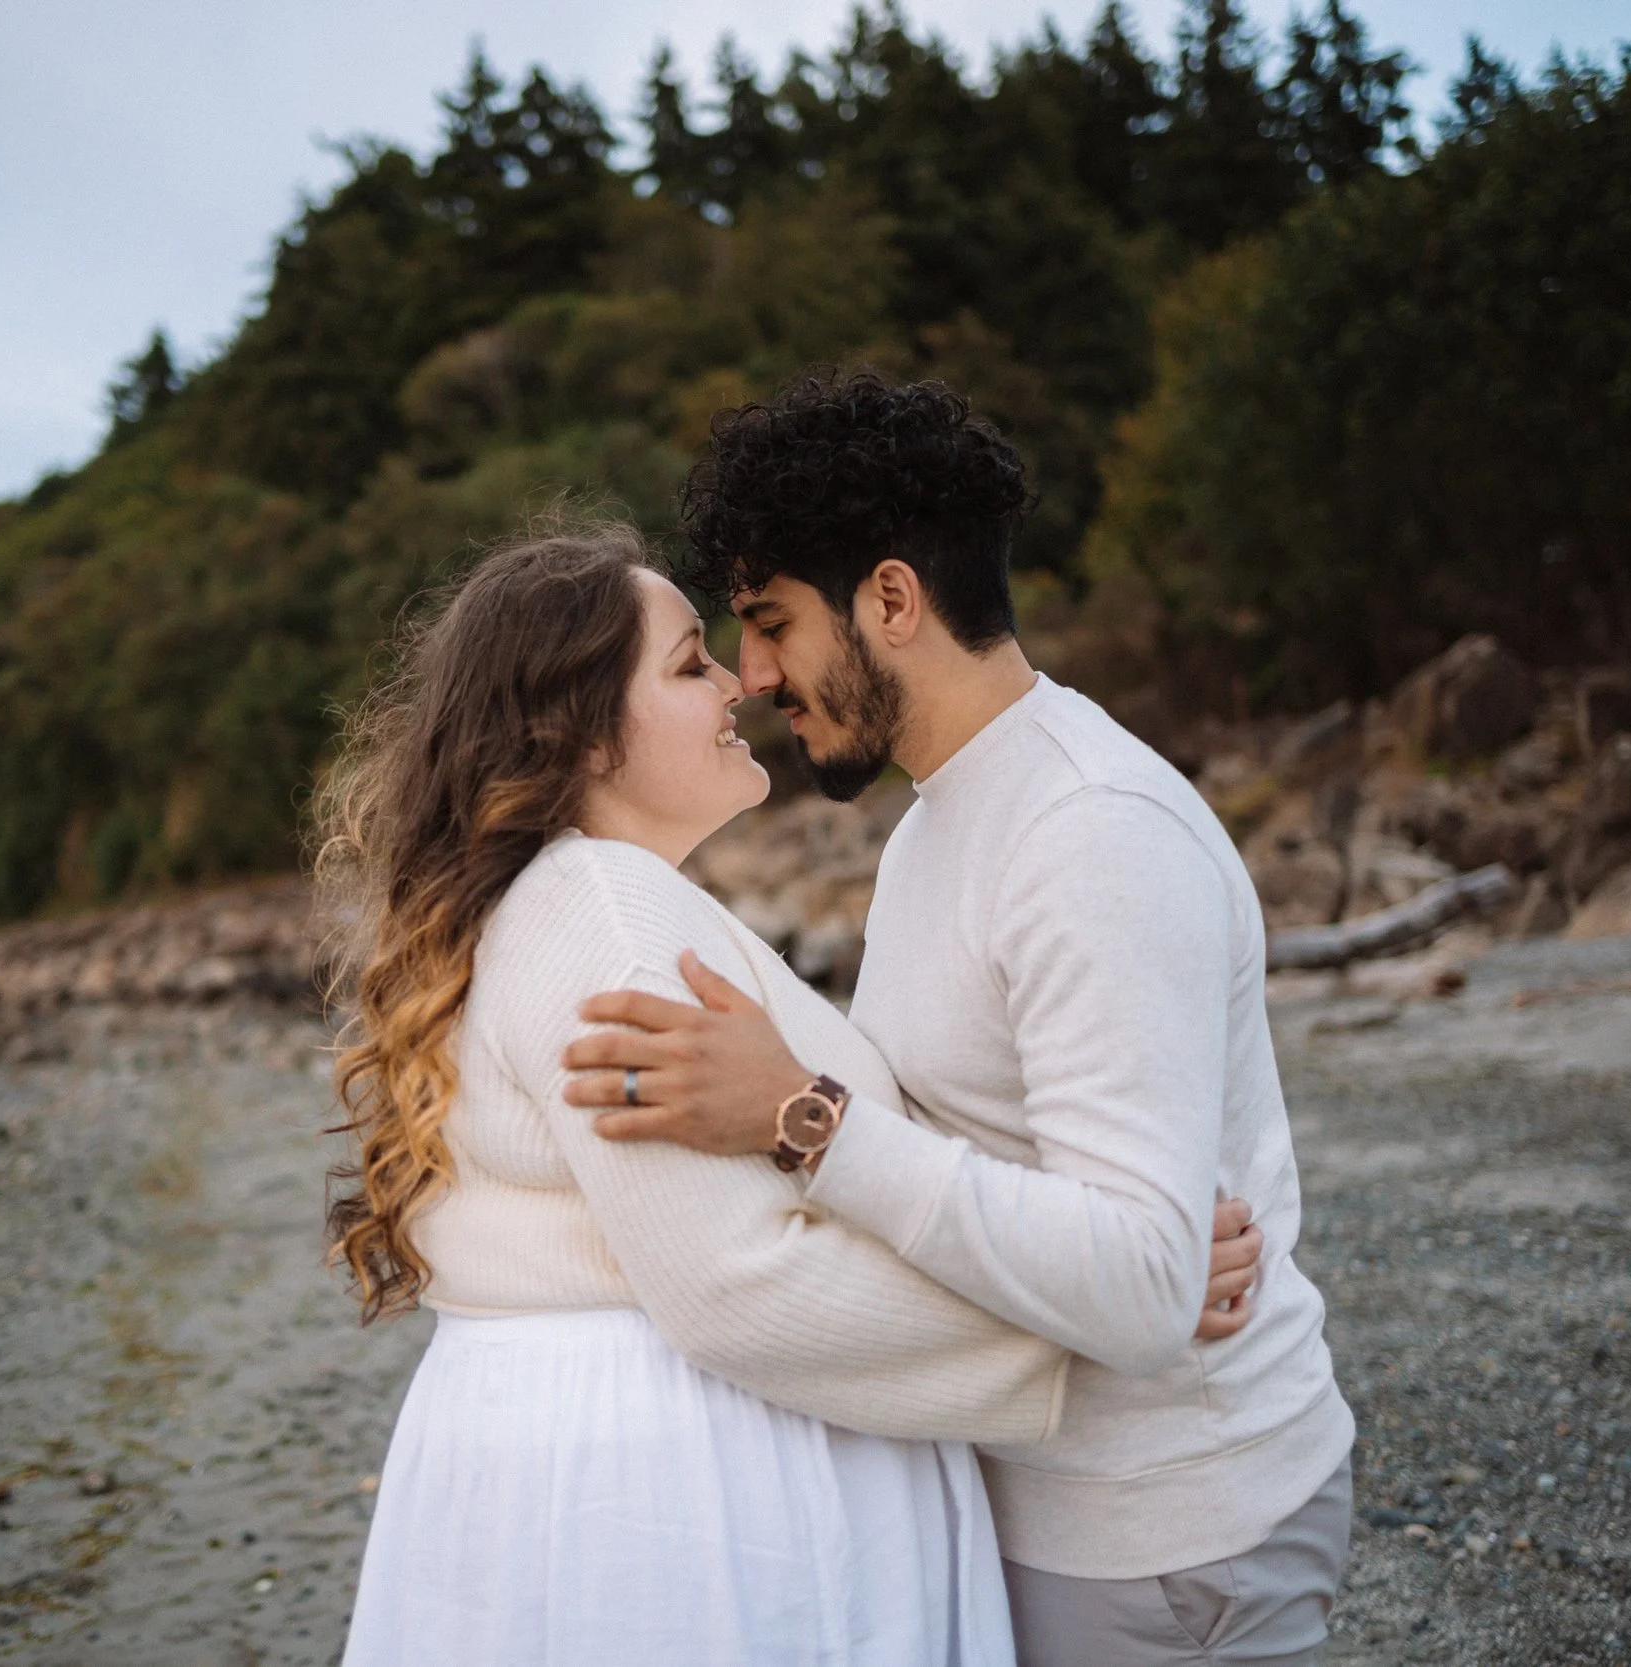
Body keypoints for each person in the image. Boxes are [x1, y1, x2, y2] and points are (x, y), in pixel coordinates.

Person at [321, 522, 1262, 1666]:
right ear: (581, 736)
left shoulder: (590, 901)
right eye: (688, 663)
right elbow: (738, 1277)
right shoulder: (603, 912)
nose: (737, 680)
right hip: (684, 1508)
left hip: (629, 1475)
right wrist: (1094, 1319)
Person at [561, 371, 1354, 1666]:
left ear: (891, 598)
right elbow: (1037, 1191)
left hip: (1167, 1537)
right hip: (1057, 1508)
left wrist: (803, 1118)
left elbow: (1148, 1281)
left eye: (768, 621)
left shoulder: (1088, 831)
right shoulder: (941, 824)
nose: (754, 675)